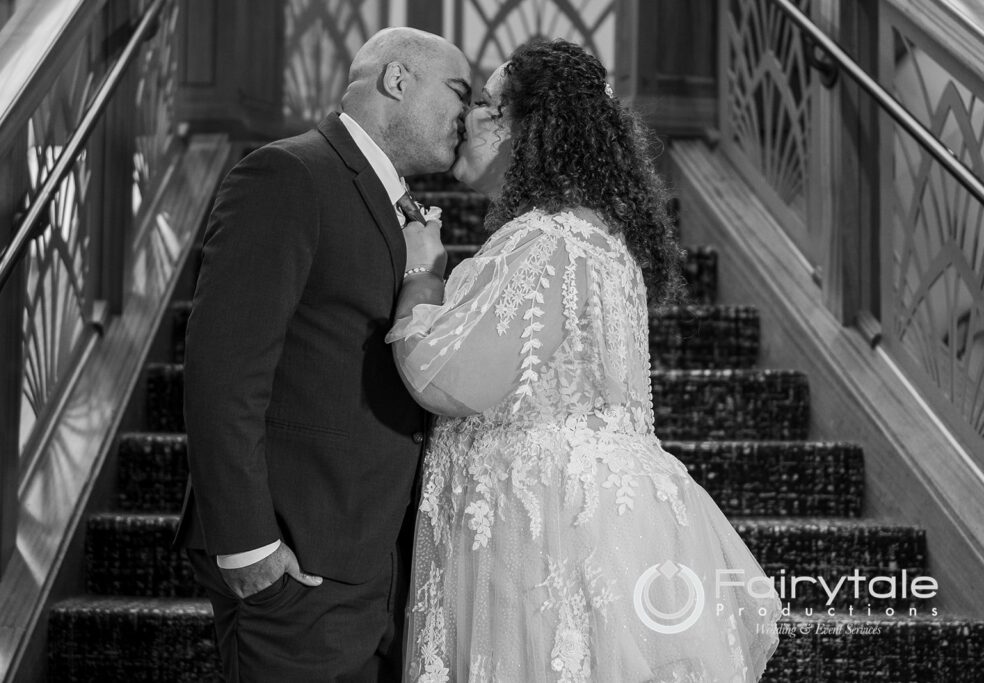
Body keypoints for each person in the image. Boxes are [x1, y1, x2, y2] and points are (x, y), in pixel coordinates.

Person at [388, 39, 783, 681]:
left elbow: (443, 378)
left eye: (485, 103)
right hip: (573, 518)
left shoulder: (548, 240)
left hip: (542, 535)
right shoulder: (589, 236)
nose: (468, 119)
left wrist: (422, 275)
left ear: (523, 127)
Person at [173, 28, 471, 681]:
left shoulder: (399, 207)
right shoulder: (289, 173)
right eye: (458, 91)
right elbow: (223, 372)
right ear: (397, 79)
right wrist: (249, 545)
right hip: (296, 562)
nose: (467, 115)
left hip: (377, 561)